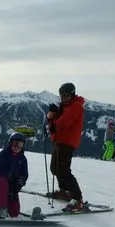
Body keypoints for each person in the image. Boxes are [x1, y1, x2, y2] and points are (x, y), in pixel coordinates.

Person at [47, 82, 85, 212]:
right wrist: (51, 117)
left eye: (66, 95)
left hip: (68, 142)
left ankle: (77, 199)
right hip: (59, 140)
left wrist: (53, 117)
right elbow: (57, 122)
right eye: (62, 96)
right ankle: (65, 191)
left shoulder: (76, 106)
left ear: (72, 94)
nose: (64, 98)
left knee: (63, 170)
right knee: (54, 168)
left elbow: (64, 122)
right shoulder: (63, 106)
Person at [0, 132, 28, 219]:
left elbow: (24, 175)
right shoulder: (3, 154)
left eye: (20, 144)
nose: (16, 147)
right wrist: (11, 178)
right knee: (2, 182)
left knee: (14, 213)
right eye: (14, 143)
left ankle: (7, 207)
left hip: (11, 186)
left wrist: (19, 184)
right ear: (10, 143)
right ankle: (1, 208)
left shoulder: (23, 159)